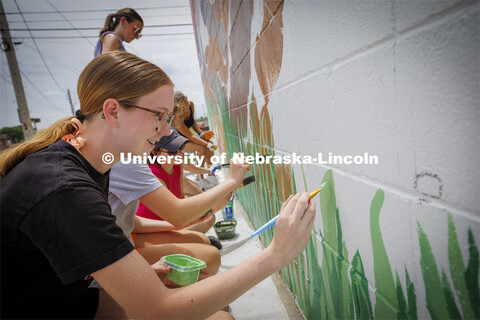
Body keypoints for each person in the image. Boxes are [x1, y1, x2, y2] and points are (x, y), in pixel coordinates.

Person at [0, 51, 315, 319]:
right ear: (112, 111)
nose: (166, 130)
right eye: (160, 116)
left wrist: (138, 276)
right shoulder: (63, 189)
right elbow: (158, 311)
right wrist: (276, 254)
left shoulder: (94, 160)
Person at [174, 91, 215, 168]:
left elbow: (192, 122)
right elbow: (191, 136)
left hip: (188, 136)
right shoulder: (177, 116)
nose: (185, 110)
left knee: (209, 143)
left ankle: (211, 170)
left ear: (186, 99)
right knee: (202, 148)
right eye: (182, 108)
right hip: (178, 140)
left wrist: (201, 133)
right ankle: (200, 175)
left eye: (185, 106)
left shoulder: (191, 104)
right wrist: (207, 144)